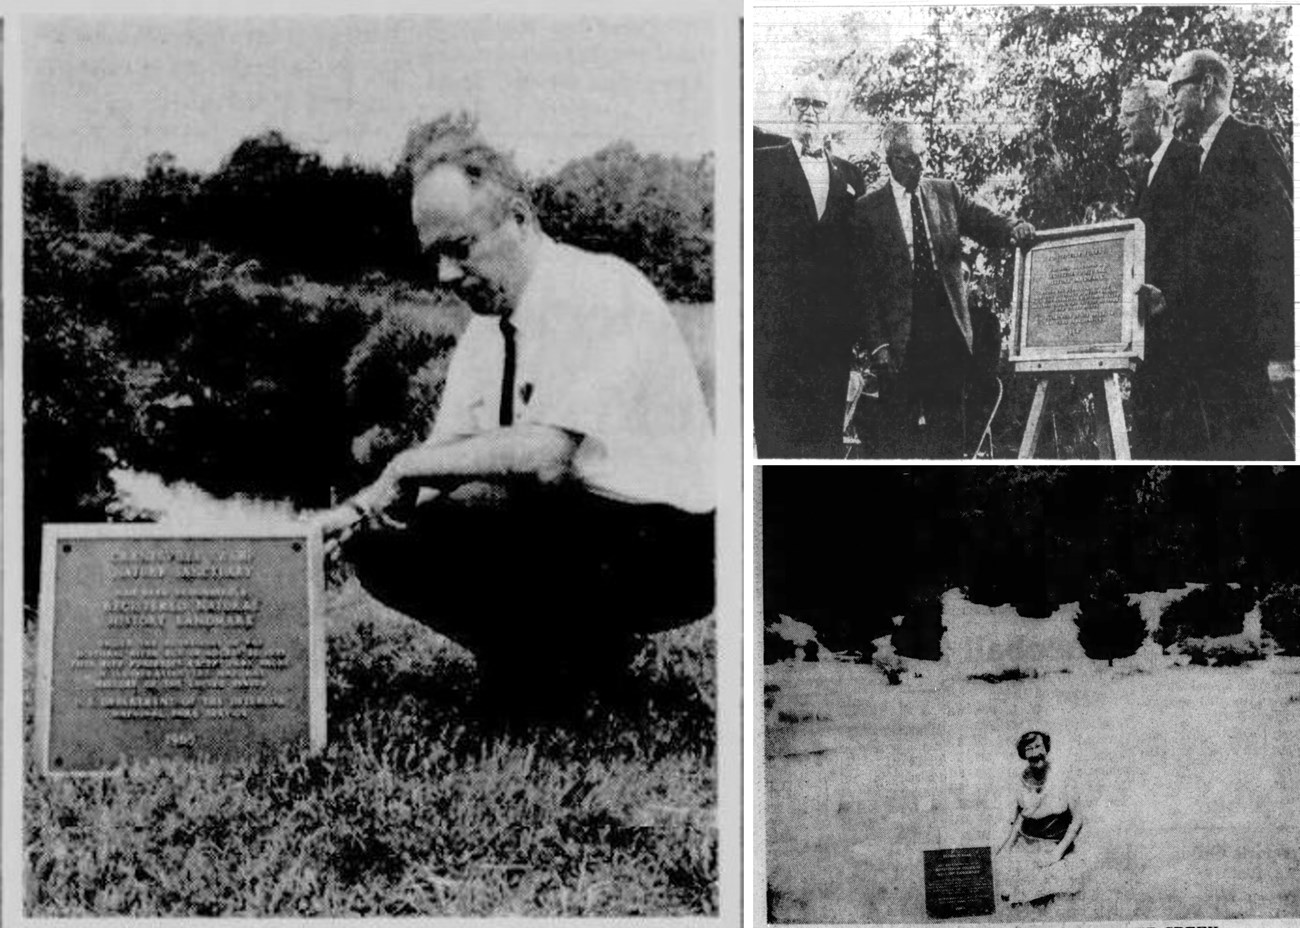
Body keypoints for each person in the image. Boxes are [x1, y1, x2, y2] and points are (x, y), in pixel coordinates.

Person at [316, 113, 715, 695]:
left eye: (460, 248)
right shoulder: (489, 326)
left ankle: (565, 663)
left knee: (497, 506)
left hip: (674, 544)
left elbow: (546, 455)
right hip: (585, 528)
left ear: (520, 219)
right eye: (434, 254)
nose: (445, 274)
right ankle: (546, 660)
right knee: (385, 540)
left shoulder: (596, 290)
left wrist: (401, 467)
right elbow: (447, 455)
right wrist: (352, 513)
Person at [849, 121, 1035, 458]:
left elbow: (984, 220)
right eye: (908, 160)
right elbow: (865, 287)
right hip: (899, 340)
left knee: (949, 436)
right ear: (890, 160)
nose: (918, 167)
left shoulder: (945, 192)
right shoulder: (868, 210)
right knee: (898, 441)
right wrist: (878, 345)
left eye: (922, 158)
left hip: (946, 334)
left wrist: (1014, 227)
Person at [1165, 48, 1293, 459]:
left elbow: (1280, 249)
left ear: (1204, 87)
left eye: (1175, 87)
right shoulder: (1196, 160)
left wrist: (1281, 352)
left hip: (1250, 358)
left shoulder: (1250, 143)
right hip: (1212, 359)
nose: (1170, 100)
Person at [753, 77, 867, 458]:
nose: (809, 111)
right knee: (777, 438)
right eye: (801, 102)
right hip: (775, 335)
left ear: (829, 114)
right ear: (788, 110)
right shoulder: (760, 163)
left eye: (818, 105)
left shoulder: (851, 176)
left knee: (824, 443)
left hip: (830, 338)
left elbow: (857, 259)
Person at [1118, 79, 1200, 459]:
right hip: (1151, 341)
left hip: (1182, 340)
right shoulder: (1145, 175)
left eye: (1129, 114)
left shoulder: (1189, 161)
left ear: (1155, 115)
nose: (1121, 123)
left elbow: (1202, 244)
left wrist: (1172, 296)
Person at [992, 731, 1085, 906]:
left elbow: (1077, 820)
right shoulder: (1021, 781)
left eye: (1038, 746)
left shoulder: (1062, 777)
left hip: (1057, 845)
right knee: (1009, 880)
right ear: (1023, 754)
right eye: (1029, 749)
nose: (1035, 753)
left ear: (1046, 748)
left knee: (1055, 888)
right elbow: (1020, 816)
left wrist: (1058, 853)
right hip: (1028, 845)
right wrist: (1007, 846)